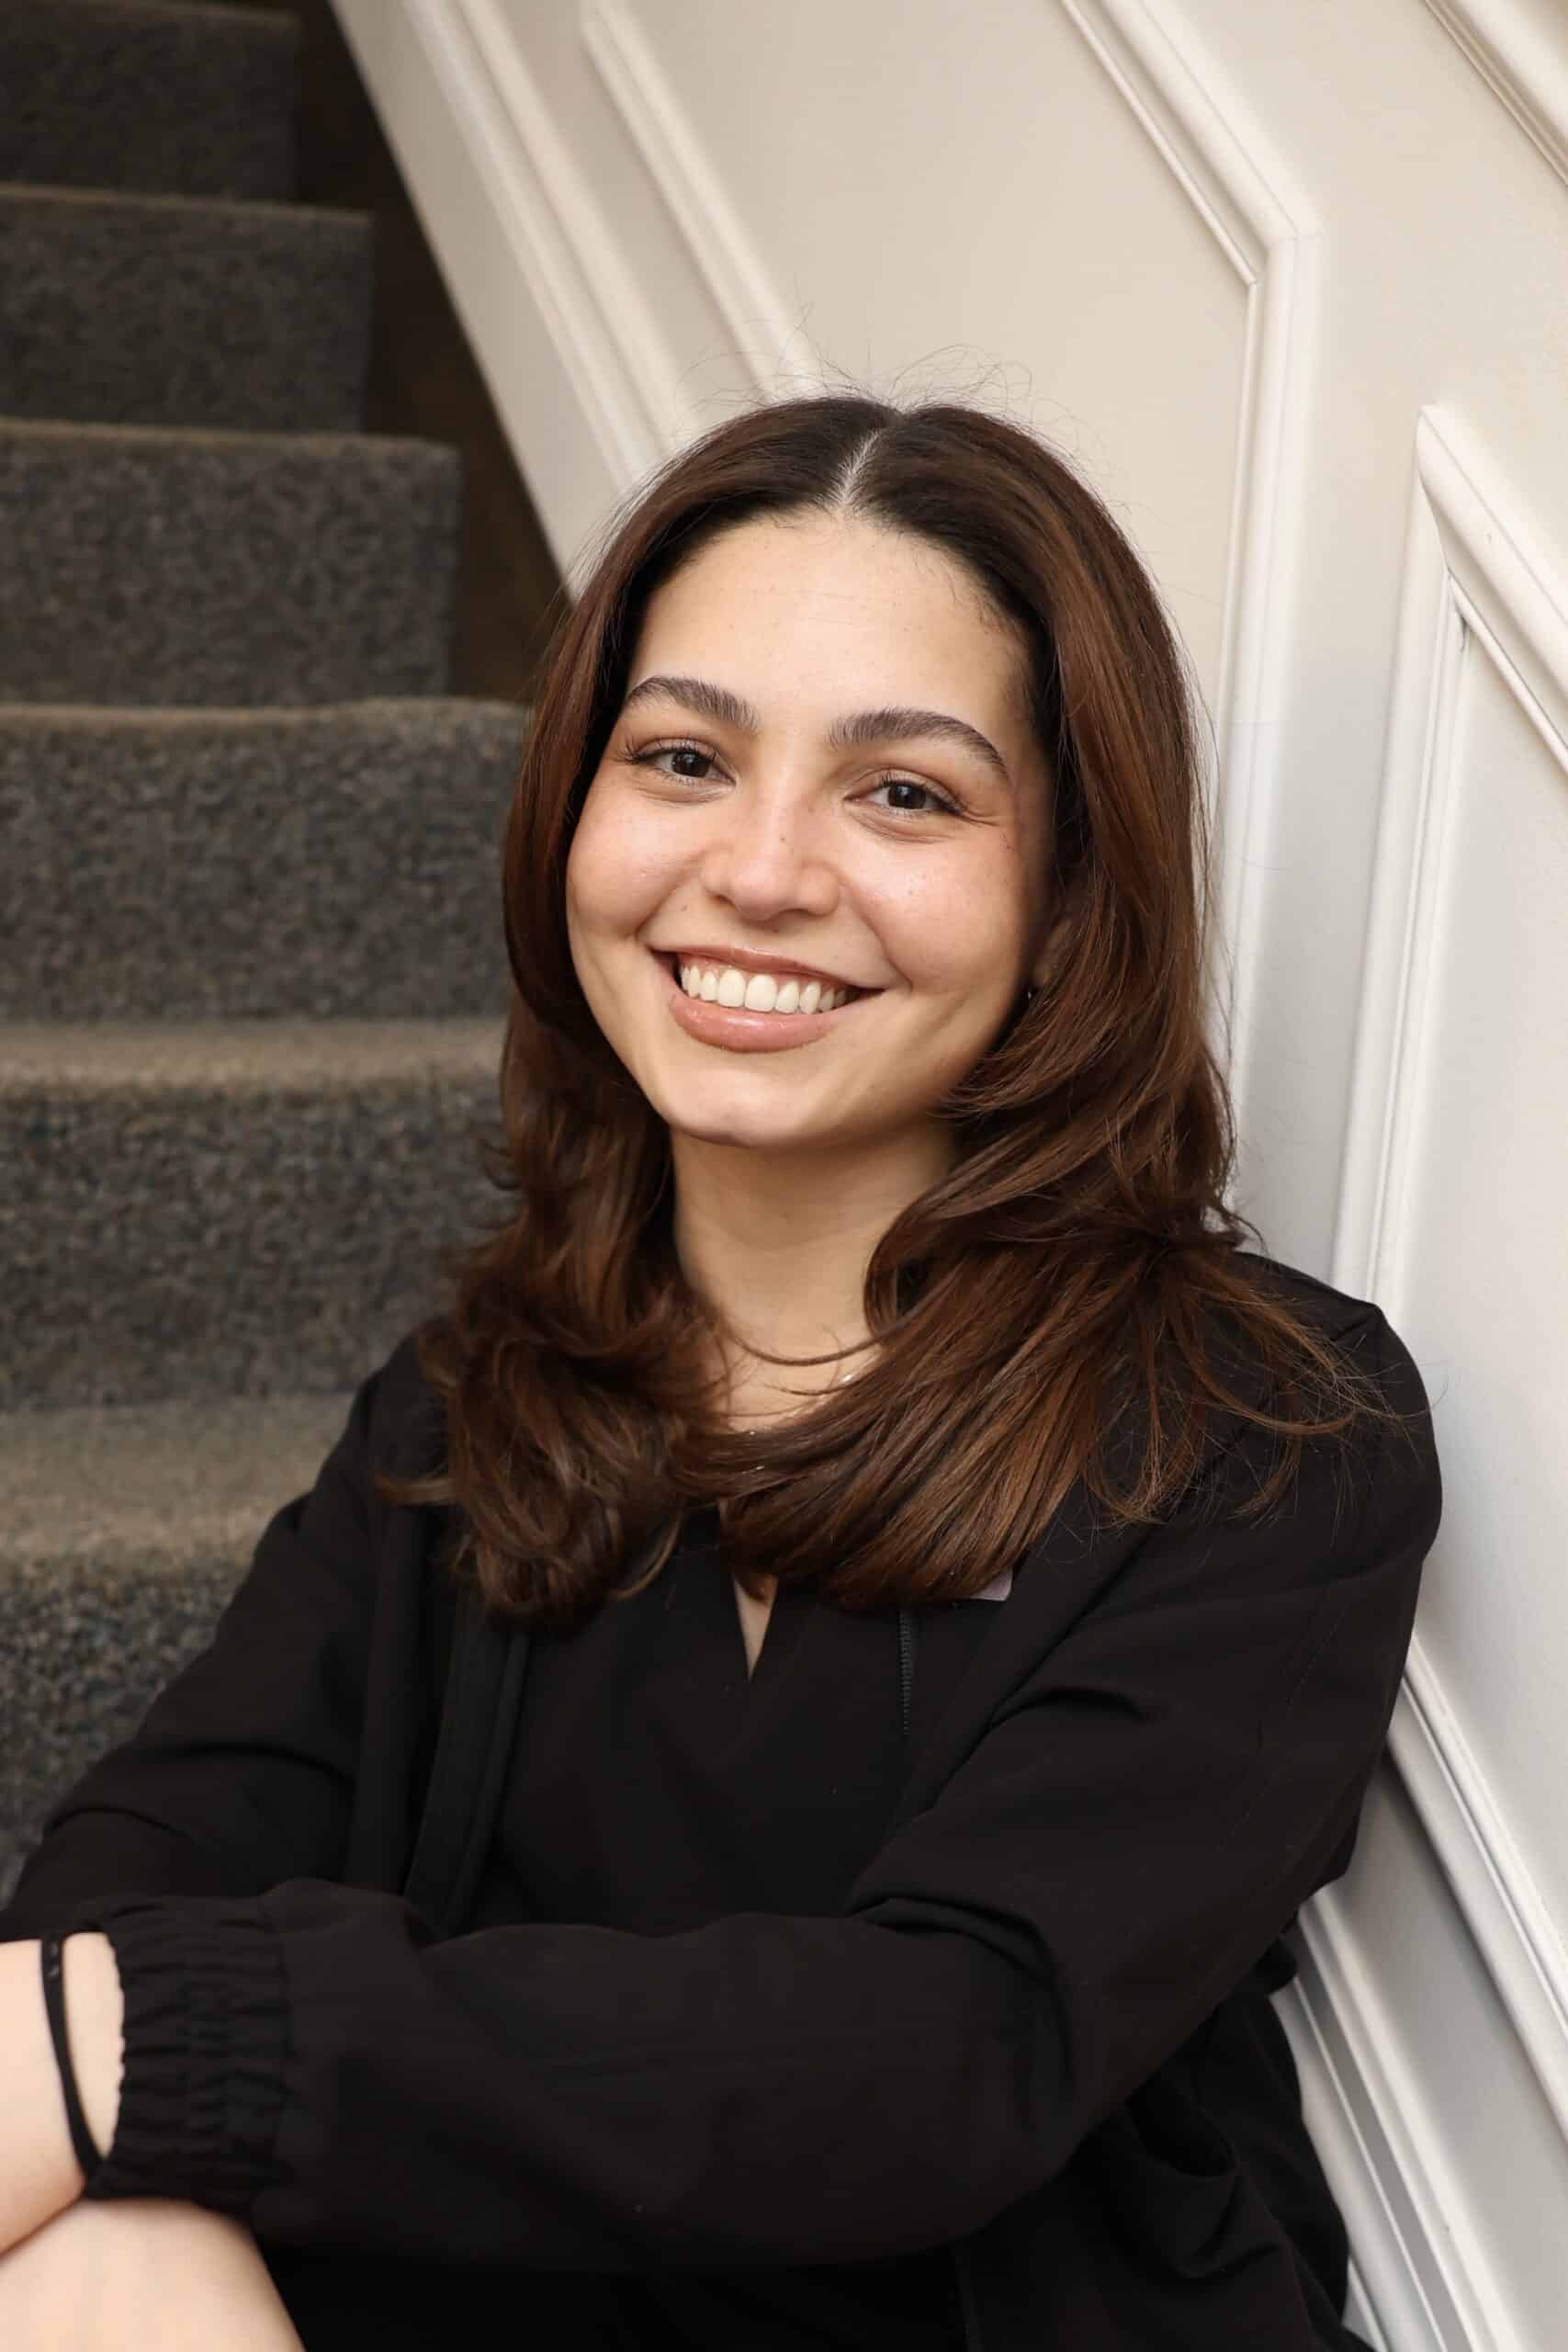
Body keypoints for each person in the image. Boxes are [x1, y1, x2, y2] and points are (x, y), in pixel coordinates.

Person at [0, 391, 1442, 2349]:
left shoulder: (1263, 1434)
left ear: (1062, 899)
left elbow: (942, 2047)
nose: (757, 873)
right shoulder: (474, 1397)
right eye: (682, 756)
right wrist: (123, 2152)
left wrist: (163, 2044)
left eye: (902, 793)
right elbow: (153, 1844)